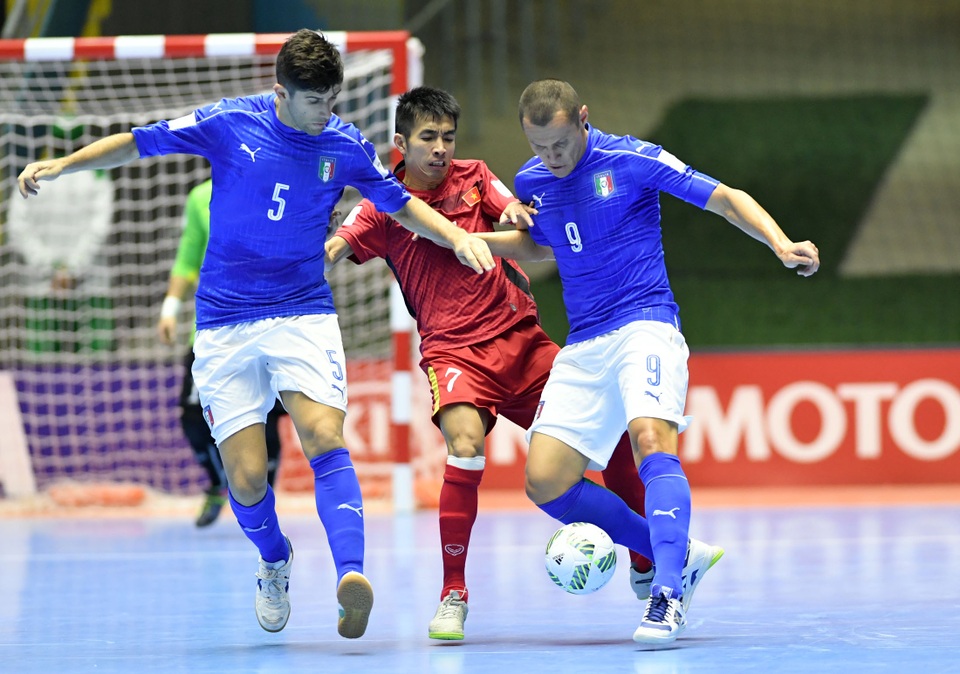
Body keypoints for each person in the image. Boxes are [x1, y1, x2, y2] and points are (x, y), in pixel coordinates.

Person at [17, 29, 495, 638]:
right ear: (280, 93)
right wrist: (64, 164)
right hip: (223, 320)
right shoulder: (227, 124)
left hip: (301, 311)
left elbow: (399, 204)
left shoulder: (343, 143)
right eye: (315, 102)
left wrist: (456, 235)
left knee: (324, 433)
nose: (328, 112)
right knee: (244, 478)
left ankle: (352, 575)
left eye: (333, 99)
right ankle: (274, 561)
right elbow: (137, 144)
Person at [325, 86, 709, 641]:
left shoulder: (477, 175)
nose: (439, 149)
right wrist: (314, 253)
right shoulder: (382, 204)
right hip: (454, 353)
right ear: (400, 144)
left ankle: (651, 558)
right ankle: (453, 593)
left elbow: (521, 216)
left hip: (521, 340)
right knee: (464, 447)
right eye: (427, 138)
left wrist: (512, 211)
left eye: (447, 137)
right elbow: (338, 246)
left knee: (619, 439)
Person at [483, 79, 820, 646]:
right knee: (545, 482)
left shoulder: (632, 159)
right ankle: (676, 552)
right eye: (540, 147)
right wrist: (468, 240)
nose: (552, 158)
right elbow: (547, 245)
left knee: (650, 440)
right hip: (586, 341)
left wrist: (780, 244)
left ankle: (665, 593)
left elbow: (725, 197)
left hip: (645, 323)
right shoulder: (532, 179)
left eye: (561, 144)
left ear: (583, 118)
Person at [157, 179, 285, 528]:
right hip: (212, 331)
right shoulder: (200, 196)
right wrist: (170, 306)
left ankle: (262, 509)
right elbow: (188, 259)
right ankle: (218, 484)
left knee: (268, 420)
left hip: (268, 326)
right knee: (192, 417)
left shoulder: (272, 186)